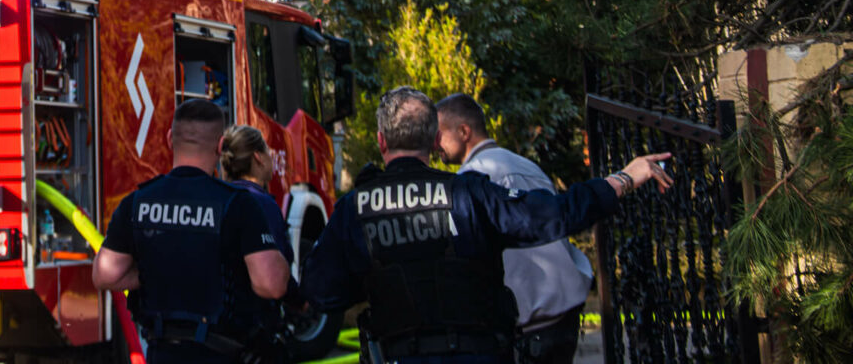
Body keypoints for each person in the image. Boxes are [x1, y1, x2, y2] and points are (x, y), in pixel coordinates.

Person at [303, 87, 672, 364]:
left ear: (381, 141)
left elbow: (321, 292)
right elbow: (553, 216)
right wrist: (625, 178)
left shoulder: (355, 209)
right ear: (434, 141)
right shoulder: (469, 194)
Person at [94, 100, 291, 364]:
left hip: (162, 353)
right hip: (222, 353)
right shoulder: (238, 204)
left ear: (168, 139)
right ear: (221, 146)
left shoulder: (137, 202)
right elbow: (272, 284)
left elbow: (104, 275)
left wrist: (161, 270)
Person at [437, 94, 592, 364]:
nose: (433, 143)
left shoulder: (472, 181)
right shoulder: (526, 165)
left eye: (438, 134)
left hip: (529, 326)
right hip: (563, 314)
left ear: (463, 131)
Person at [221, 125, 295, 363]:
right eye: (267, 150)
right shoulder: (261, 204)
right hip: (254, 335)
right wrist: (302, 300)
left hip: (218, 333)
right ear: (257, 158)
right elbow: (275, 272)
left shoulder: (217, 198)